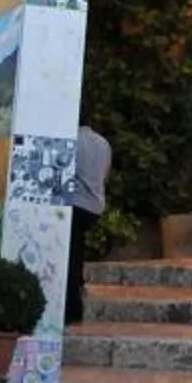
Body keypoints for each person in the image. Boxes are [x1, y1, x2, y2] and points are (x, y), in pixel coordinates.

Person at [63, 125, 111, 323]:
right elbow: (105, 176)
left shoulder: (71, 139)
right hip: (94, 206)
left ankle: (72, 308)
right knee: (76, 250)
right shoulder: (103, 143)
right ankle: (77, 290)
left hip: (74, 202)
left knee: (71, 254)